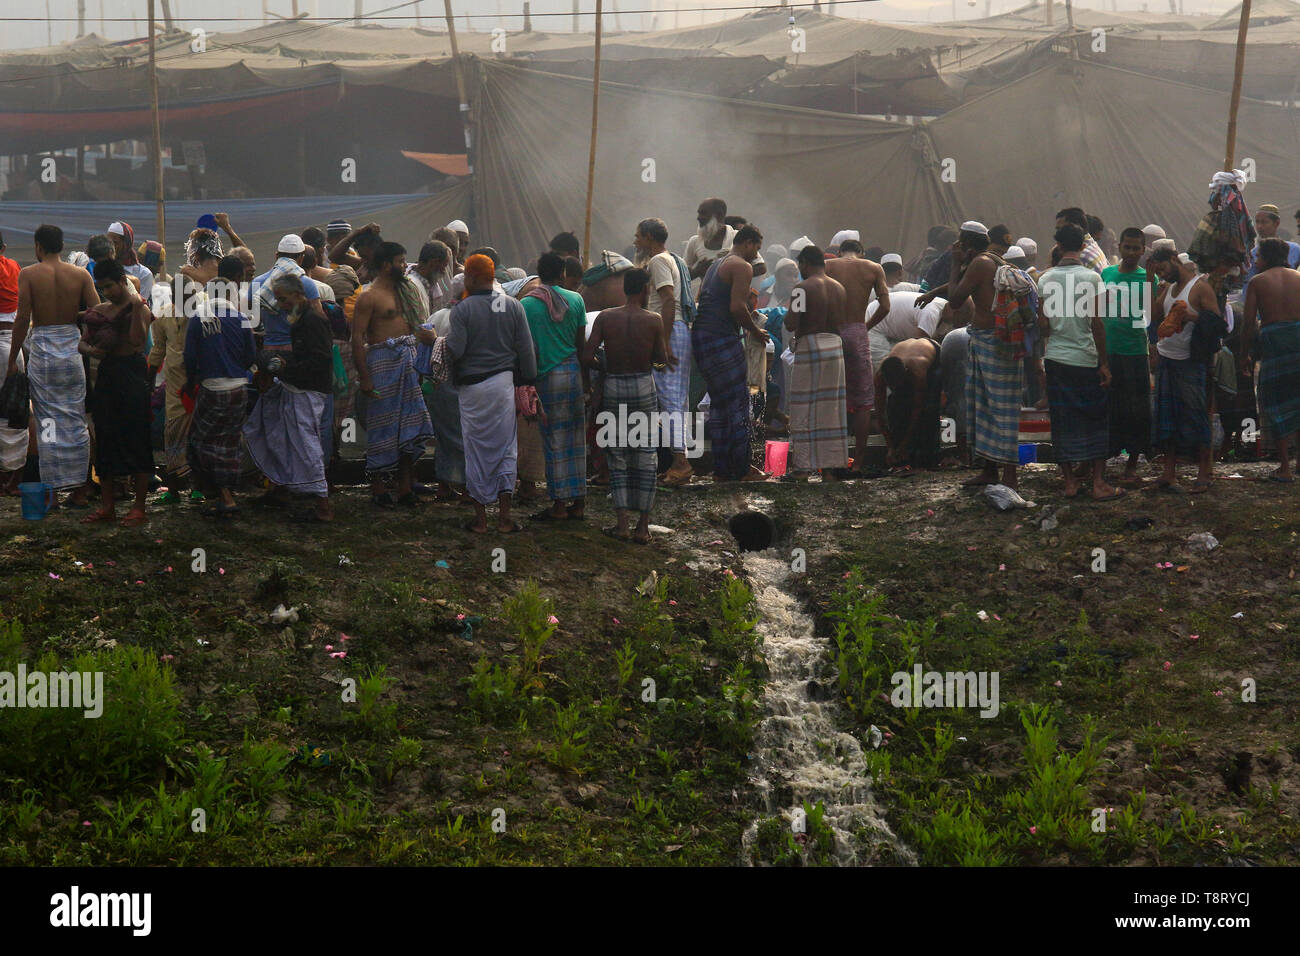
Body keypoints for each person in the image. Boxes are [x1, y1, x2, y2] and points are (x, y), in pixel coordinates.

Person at [445, 254, 538, 533]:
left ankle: (481, 521)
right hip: (503, 387)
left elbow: (456, 350)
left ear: (471, 278)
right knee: (505, 447)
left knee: (476, 450)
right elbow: (526, 352)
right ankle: (505, 519)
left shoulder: (462, 310)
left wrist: (437, 344)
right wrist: (529, 381)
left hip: (473, 390)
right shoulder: (512, 306)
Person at [8, 225, 97, 506]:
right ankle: (80, 490)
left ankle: (53, 493)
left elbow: (22, 319)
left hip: (44, 351)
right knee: (75, 419)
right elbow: (97, 315)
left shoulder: (29, 274)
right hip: (71, 351)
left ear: (38, 247)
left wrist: (12, 359)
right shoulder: (80, 274)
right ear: (60, 245)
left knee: (47, 421)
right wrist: (80, 328)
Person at [583, 268, 672, 543]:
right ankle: (643, 528)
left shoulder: (606, 317)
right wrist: (653, 362)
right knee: (645, 453)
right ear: (645, 290)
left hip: (614, 386)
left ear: (625, 289)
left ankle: (621, 524)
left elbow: (587, 356)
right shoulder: (654, 320)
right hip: (643, 387)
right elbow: (661, 360)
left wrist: (605, 364)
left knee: (617, 453)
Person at [1038, 223, 1122, 501]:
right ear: (1084, 247)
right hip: (1086, 358)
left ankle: (1070, 483)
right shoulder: (1092, 279)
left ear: (1059, 247)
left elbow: (1043, 325)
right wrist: (1104, 363)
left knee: (1062, 420)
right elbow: (1097, 324)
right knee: (1094, 419)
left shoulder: (1045, 279)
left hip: (1057, 359)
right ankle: (1099, 483)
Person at [243, 274, 334, 521]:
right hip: (300, 386)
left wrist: (284, 368)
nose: (281, 305)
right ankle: (283, 488)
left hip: (308, 389)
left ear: (298, 295)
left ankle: (322, 504)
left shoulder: (312, 321)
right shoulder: (301, 318)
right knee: (284, 436)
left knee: (305, 443)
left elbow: (320, 360)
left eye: (283, 299)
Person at [353, 241, 436, 507]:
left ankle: (404, 488)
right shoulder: (369, 296)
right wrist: (364, 378)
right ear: (386, 264)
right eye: (400, 261)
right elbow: (356, 339)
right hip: (382, 365)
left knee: (409, 427)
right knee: (382, 428)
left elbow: (417, 326)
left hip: (409, 363)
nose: (404, 265)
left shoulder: (408, 290)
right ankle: (378, 489)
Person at [947, 221, 1025, 489]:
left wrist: (955, 262)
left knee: (1000, 408)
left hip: (994, 342)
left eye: (960, 244)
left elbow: (955, 299)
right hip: (989, 340)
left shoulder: (980, 263)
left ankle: (1010, 476)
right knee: (984, 407)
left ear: (966, 244)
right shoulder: (992, 260)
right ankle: (990, 471)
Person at [79, 259, 154, 526]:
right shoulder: (101, 311)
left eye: (110, 286)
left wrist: (134, 308)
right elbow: (82, 344)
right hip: (108, 374)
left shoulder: (140, 309)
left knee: (138, 437)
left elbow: (136, 341)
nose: (107, 292)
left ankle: (139, 508)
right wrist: (94, 351)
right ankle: (107, 507)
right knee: (106, 437)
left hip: (132, 375)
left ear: (123, 280)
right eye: (102, 288)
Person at [692, 224, 769, 482]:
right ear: (747, 242)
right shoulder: (741, 266)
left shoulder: (716, 264)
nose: (755, 256)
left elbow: (705, 299)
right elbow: (737, 307)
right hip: (721, 337)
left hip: (703, 338)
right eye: (756, 249)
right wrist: (756, 333)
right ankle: (742, 468)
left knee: (720, 406)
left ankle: (723, 469)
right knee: (737, 403)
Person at [184, 255, 256, 517]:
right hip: (239, 388)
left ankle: (224, 496)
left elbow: (189, 359)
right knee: (229, 440)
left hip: (212, 388)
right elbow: (250, 357)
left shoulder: (198, 317)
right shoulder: (241, 318)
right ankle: (225, 493)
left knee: (202, 442)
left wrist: (190, 381)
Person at [520, 252, 589, 521]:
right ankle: (579, 503)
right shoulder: (576, 299)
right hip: (572, 374)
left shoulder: (527, 304)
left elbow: (525, 348)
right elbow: (582, 347)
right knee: (575, 439)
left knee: (553, 441)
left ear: (539, 272)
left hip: (545, 377)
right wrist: (587, 383)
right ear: (562, 273)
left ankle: (559, 506)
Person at [1148, 247, 1217, 493]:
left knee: (1196, 415)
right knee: (1168, 419)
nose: (1163, 274)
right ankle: (1168, 473)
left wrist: (1192, 317)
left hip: (1190, 361)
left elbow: (1220, 325)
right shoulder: (1168, 289)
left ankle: (1205, 472)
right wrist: (1150, 281)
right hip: (1168, 358)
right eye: (1159, 272)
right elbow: (1152, 315)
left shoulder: (1200, 288)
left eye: (1164, 268)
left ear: (1175, 260)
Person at [633, 217, 695, 486]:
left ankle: (681, 462)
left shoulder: (658, 261)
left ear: (649, 237)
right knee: (677, 399)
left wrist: (664, 341)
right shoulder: (673, 259)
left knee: (668, 398)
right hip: (679, 330)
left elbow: (668, 299)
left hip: (669, 330)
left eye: (638, 236)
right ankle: (678, 461)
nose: (635, 240)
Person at [785, 245, 849, 477]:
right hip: (835, 346)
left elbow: (791, 322)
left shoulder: (802, 288)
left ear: (804, 263)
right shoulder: (839, 288)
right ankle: (831, 468)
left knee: (803, 406)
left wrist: (788, 314)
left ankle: (802, 468)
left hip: (811, 346)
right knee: (830, 408)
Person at [826, 239, 889, 474]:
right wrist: (865, 326)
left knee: (833, 399)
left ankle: (834, 462)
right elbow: (885, 306)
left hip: (832, 331)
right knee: (863, 403)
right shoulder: (873, 268)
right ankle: (858, 463)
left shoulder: (828, 266)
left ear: (840, 252)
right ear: (861, 252)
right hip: (857, 331)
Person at [1241, 237, 1300, 482]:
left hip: (1274, 343)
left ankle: (1285, 467)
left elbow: (1248, 323)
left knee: (1275, 402)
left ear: (1265, 256)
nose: (1255, 261)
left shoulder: (1258, 281)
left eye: (1257, 256)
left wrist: (1245, 353)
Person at [1101, 227, 1152, 485]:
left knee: (1137, 410)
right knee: (1108, 407)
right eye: (1127, 247)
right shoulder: (1107, 273)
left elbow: (1151, 316)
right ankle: (1100, 463)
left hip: (1135, 353)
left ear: (1143, 251)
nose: (1131, 252)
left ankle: (1132, 466)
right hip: (1109, 353)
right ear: (1119, 247)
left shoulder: (1147, 278)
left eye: (1136, 248)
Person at [875, 337, 943, 472]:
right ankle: (902, 456)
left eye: (898, 385)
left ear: (906, 373)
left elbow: (917, 409)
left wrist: (905, 444)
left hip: (933, 352)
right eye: (892, 386)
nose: (895, 388)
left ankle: (928, 458)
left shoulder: (918, 370)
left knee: (929, 409)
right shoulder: (879, 375)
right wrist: (891, 446)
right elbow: (879, 411)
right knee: (895, 405)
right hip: (906, 347)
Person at [0, 231, 30, 494]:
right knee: (15, 412)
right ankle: (14, 479)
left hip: (7, 344)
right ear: (5, 247)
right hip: (13, 343)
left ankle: (8, 481)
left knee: (9, 414)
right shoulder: (14, 267)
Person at [685, 198, 736, 283]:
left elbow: (760, 267)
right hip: (707, 295)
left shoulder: (737, 237)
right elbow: (682, 277)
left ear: (719, 215)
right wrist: (697, 271)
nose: (698, 218)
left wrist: (730, 270)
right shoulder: (694, 242)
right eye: (699, 213)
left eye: (703, 213)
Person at [107, 221, 154, 305]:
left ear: (126, 244)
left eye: (115, 242)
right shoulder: (101, 267)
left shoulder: (144, 274)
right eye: (108, 242)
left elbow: (141, 306)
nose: (111, 247)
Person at [1055, 207, 1106, 274]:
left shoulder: (1080, 256)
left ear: (1076, 227)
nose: (1058, 233)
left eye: (1061, 229)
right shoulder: (1091, 246)